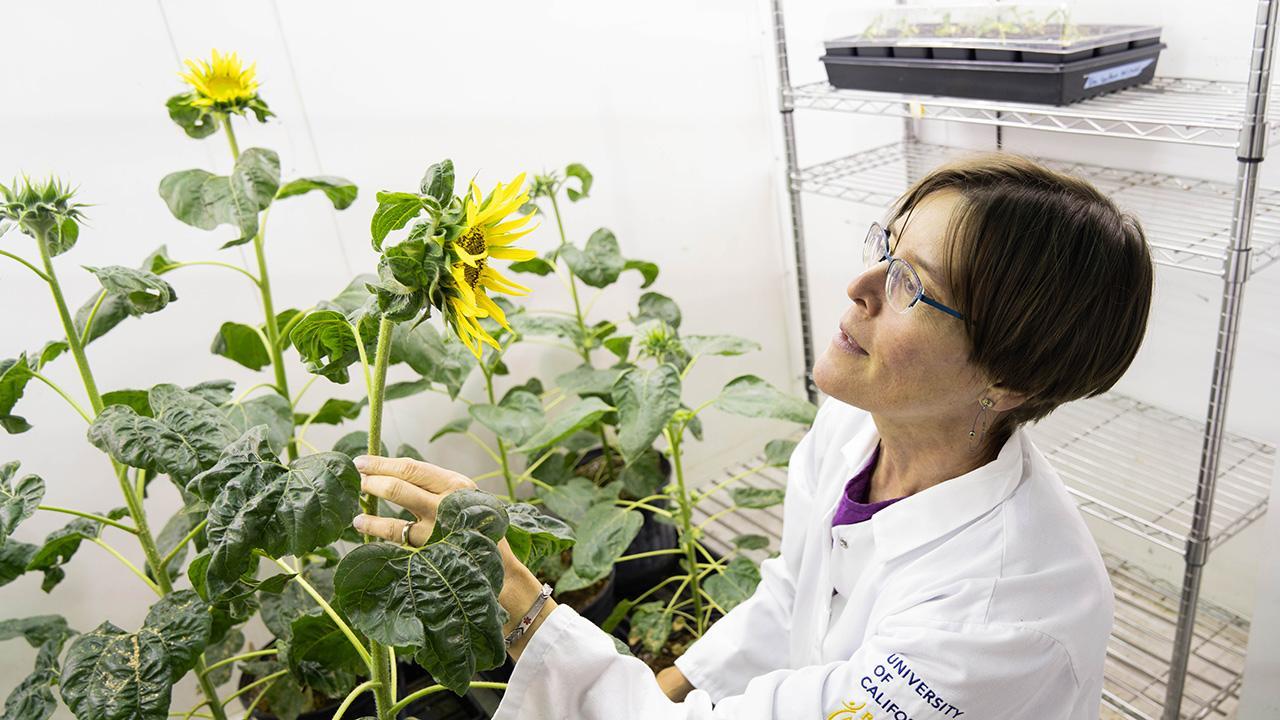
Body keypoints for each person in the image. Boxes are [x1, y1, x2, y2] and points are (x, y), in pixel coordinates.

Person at [352, 153, 1154, 719]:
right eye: (885, 245)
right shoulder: (859, 426)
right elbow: (790, 597)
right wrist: (671, 682)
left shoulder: (998, 622)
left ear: (1009, 380)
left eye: (912, 284)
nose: (860, 286)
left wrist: (526, 610)